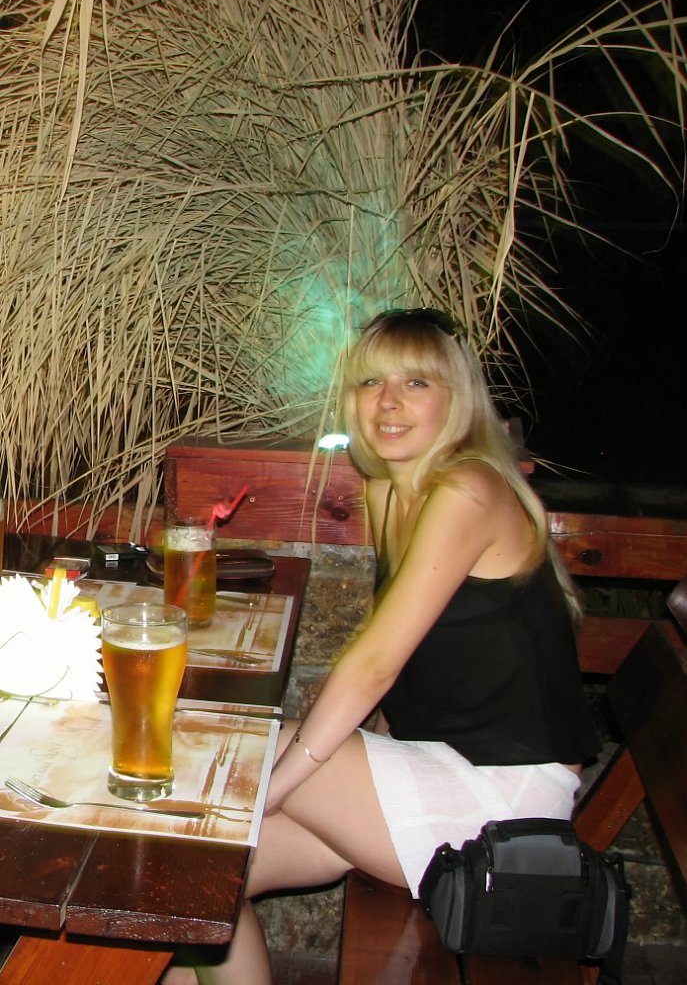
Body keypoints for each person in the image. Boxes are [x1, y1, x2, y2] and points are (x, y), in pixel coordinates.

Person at [164, 307, 599, 985]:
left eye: (415, 383)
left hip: (505, 803)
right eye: (369, 382)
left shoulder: (467, 489)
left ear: (458, 400)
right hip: (440, 766)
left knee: (233, 752)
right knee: (191, 881)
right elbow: (421, 658)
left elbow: (373, 664)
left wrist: (274, 788)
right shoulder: (390, 490)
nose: (387, 402)